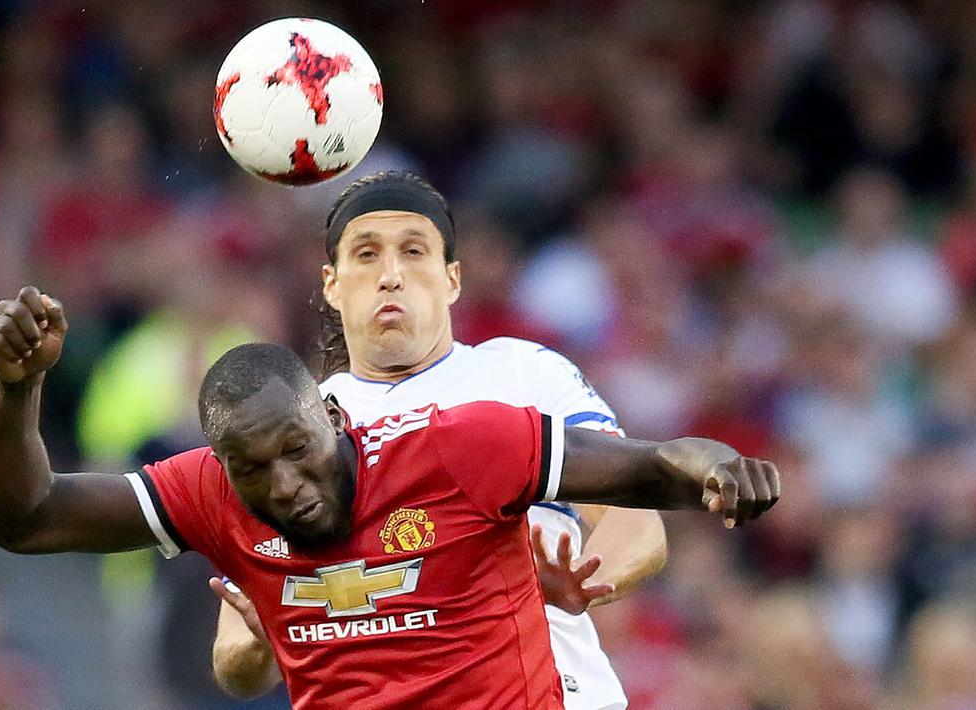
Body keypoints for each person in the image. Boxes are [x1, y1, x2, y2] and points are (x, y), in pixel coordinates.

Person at [0, 287, 779, 709]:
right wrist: (17, 388)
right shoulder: (211, 494)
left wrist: (720, 472)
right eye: (253, 471)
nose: (283, 485)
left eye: (296, 451)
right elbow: (23, 518)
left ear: (331, 413)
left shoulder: (462, 448)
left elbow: (653, 466)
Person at [212, 171, 666, 708]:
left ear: (452, 279)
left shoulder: (522, 374)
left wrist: (587, 581)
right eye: (366, 254)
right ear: (332, 284)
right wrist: (272, 635)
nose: (391, 276)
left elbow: (635, 520)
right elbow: (234, 660)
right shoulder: (295, 426)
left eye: (413, 251)